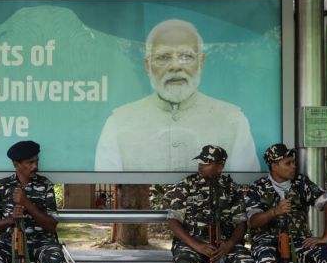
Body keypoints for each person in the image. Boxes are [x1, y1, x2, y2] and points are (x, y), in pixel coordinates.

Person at [95, 19, 260, 172]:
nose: (175, 66)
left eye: (186, 56)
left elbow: (246, 189)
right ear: (147, 66)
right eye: (163, 57)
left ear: (201, 62)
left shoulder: (233, 120)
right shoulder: (118, 123)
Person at [164, 145, 254, 263]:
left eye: (207, 162)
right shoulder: (186, 186)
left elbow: (241, 224)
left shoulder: (231, 189)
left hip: (224, 244)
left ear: (220, 166)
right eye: (200, 161)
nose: (201, 165)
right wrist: (196, 245)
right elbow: (173, 221)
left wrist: (229, 245)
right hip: (192, 242)